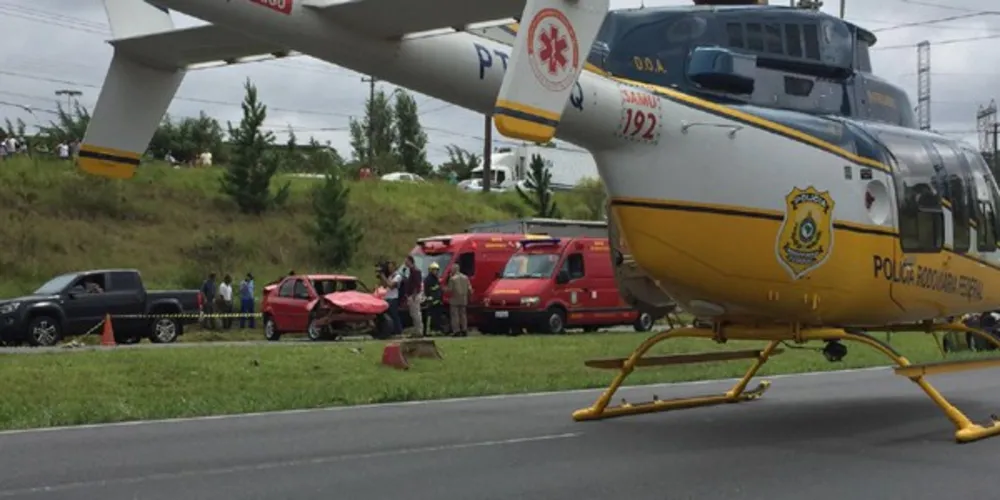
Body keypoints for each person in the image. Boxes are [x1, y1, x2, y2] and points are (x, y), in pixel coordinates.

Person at [379, 261, 404, 337]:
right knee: (388, 316)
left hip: (393, 298)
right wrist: (382, 277)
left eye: (390, 267)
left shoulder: (398, 276)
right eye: (388, 267)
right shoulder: (390, 276)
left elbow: (391, 286)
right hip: (387, 297)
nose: (389, 269)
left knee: (394, 315)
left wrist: (383, 276)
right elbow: (384, 285)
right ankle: (391, 331)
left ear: (394, 267)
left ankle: (399, 331)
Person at [447, 265, 472, 337]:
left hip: (454, 299)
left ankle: (456, 331)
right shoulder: (465, 277)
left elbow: (450, 290)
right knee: (463, 315)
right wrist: (469, 297)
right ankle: (464, 330)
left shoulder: (452, 279)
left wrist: (444, 289)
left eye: (452, 269)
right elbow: (470, 289)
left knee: (455, 316)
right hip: (464, 299)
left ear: (454, 270)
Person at [422, 262, 444, 336]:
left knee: (437, 317)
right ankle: (428, 331)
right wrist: (429, 297)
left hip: (437, 301)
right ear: (431, 270)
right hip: (431, 301)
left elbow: (438, 289)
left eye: (437, 270)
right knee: (430, 317)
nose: (436, 272)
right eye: (434, 270)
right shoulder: (428, 279)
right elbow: (427, 290)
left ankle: (437, 330)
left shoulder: (436, 279)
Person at [403, 256, 423, 335]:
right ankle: (416, 330)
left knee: (416, 313)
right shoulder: (410, 271)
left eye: (406, 261)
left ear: (410, 261)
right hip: (410, 295)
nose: (405, 263)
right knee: (413, 314)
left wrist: (414, 294)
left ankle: (419, 330)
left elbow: (417, 284)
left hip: (414, 295)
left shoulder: (416, 271)